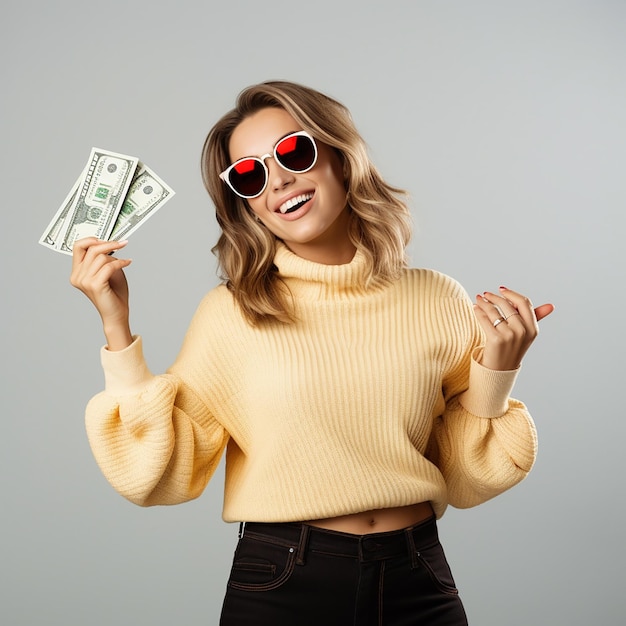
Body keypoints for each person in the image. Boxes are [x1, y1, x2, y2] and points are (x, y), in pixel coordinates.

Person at [70, 80, 554, 626]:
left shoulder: (436, 296)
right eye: (250, 175)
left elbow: (469, 476)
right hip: (285, 581)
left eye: (292, 151)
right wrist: (117, 326)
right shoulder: (232, 313)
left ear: (341, 159)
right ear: (247, 205)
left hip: (417, 574)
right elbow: (158, 472)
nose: (277, 181)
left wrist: (497, 370)